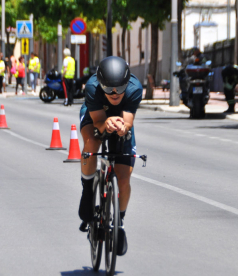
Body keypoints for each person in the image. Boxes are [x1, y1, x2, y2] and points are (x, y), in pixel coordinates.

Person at [78, 56, 142, 257]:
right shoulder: (92, 88)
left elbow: (129, 120)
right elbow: (98, 122)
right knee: (92, 143)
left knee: (123, 179)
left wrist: (123, 126)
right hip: (95, 116)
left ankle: (119, 222)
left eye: (119, 89)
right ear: (101, 85)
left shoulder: (134, 88)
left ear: (127, 83)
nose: (114, 94)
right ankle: (88, 191)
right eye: (109, 90)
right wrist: (106, 124)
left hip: (120, 118)